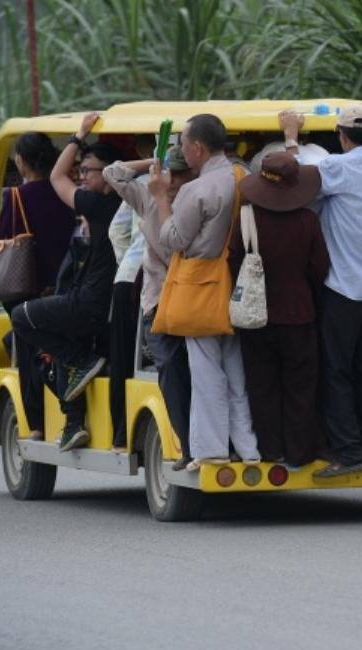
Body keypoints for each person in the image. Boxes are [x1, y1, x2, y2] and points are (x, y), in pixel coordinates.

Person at [277, 104, 362, 478]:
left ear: (342, 136)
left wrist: (291, 136)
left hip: (340, 288)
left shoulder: (337, 168)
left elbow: (293, 182)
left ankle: (348, 451)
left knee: (336, 370)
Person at [150, 113, 259, 470]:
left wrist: (162, 196)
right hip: (236, 280)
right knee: (237, 371)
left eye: (183, 145)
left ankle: (210, 450)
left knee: (206, 372)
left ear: (197, 148)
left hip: (200, 285)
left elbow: (172, 240)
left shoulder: (198, 189)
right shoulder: (244, 176)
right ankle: (248, 447)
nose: (182, 152)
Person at [10, 112, 124, 451]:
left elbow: (58, 176)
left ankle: (79, 363)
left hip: (91, 302)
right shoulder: (120, 202)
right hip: (102, 303)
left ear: (109, 173)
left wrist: (77, 136)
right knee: (58, 333)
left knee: (21, 318)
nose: (82, 176)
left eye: (88, 171)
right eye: (82, 170)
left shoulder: (101, 203)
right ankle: (73, 421)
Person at [230, 152, 330, 468]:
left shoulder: (246, 218)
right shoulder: (307, 221)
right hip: (299, 313)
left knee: (262, 385)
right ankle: (300, 451)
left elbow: (234, 263)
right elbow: (321, 269)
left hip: (255, 316)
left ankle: (271, 449)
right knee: (301, 385)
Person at [103, 144, 196, 469]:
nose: (175, 180)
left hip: (180, 300)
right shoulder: (150, 196)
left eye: (181, 172)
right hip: (162, 301)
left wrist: (157, 189)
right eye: (172, 172)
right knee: (175, 374)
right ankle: (188, 444)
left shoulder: (190, 201)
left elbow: (174, 244)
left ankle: (192, 446)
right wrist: (152, 163)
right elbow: (111, 172)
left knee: (181, 374)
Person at [0, 132, 76, 440]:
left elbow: (4, 240)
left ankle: (37, 424)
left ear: (21, 161)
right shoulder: (68, 193)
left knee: (24, 342)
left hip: (28, 289)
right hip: (68, 288)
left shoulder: (16, 198)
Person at [105, 133, 156, 453]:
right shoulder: (183, 183)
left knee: (123, 355)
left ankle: (121, 431)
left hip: (129, 276)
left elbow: (116, 230)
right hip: (151, 276)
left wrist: (127, 261)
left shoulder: (143, 181)